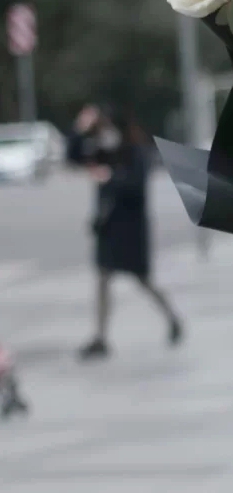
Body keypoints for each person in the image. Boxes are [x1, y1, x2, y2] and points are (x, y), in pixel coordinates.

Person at [67, 105, 183, 359]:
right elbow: (73, 157)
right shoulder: (103, 151)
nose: (104, 135)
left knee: (143, 279)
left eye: (107, 128)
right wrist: (79, 129)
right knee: (102, 278)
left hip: (131, 229)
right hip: (108, 226)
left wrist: (109, 178)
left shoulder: (136, 151)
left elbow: (136, 186)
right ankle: (100, 337)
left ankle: (173, 318)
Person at [0, 343, 29, 419]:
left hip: (6, 376)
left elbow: (8, 362)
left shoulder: (4, 353)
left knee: (10, 390)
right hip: (5, 375)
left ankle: (14, 405)